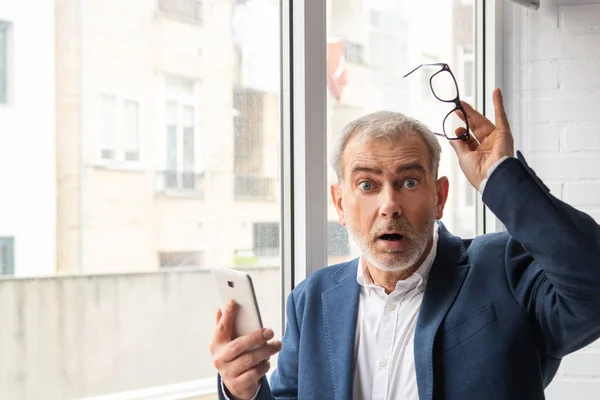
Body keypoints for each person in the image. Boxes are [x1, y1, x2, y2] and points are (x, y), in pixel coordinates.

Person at [209, 89, 600, 400]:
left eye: (409, 182)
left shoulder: (504, 268)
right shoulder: (311, 299)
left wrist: (500, 176)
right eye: (367, 185)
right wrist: (242, 392)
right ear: (340, 203)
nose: (389, 205)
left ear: (440, 197)